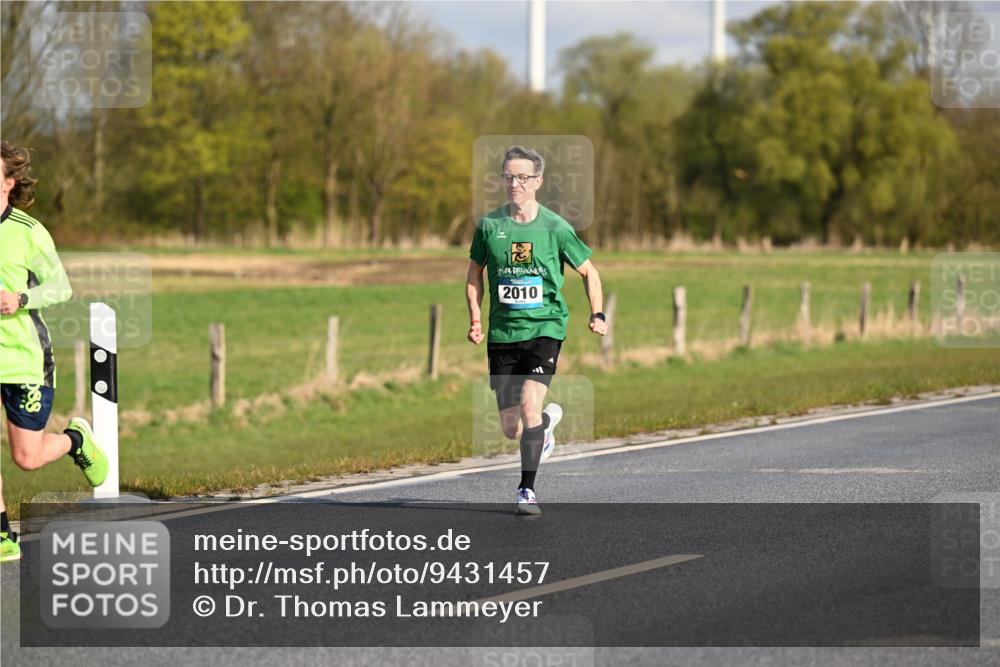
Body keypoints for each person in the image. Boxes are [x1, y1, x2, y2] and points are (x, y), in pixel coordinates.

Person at [466, 145, 607, 515]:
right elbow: (473, 274)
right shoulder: (490, 226)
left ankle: (526, 491)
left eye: (523, 177)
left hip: (545, 328)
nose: (516, 183)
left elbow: (590, 271)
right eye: (509, 176)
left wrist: (598, 313)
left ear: (538, 181)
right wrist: (476, 319)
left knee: (529, 405)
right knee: (511, 428)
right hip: (502, 334)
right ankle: (545, 426)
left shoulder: (556, 228)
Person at [0, 141, 108, 563]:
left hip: (24, 358)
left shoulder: (28, 232)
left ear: (9, 182)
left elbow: (61, 287)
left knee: (26, 458)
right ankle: (3, 536)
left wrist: (20, 298)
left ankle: (75, 439)